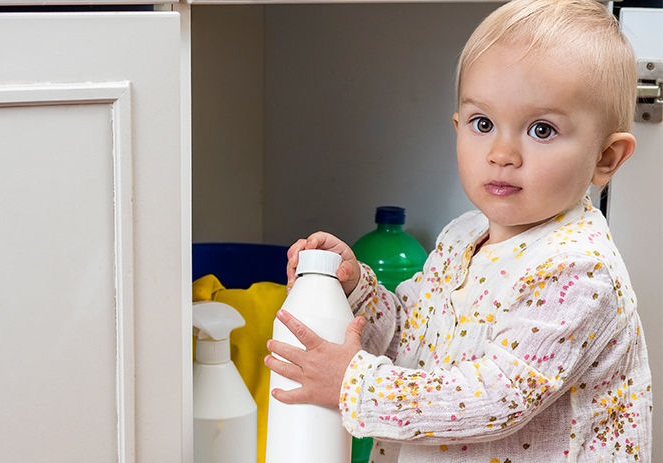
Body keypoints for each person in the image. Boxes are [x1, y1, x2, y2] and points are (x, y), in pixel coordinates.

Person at [263, 0, 653, 460]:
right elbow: (408, 338)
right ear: (458, 127)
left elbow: (497, 398)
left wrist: (353, 383)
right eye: (483, 123)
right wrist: (356, 294)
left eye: (542, 129)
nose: (502, 152)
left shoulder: (576, 270)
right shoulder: (462, 238)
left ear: (605, 158)